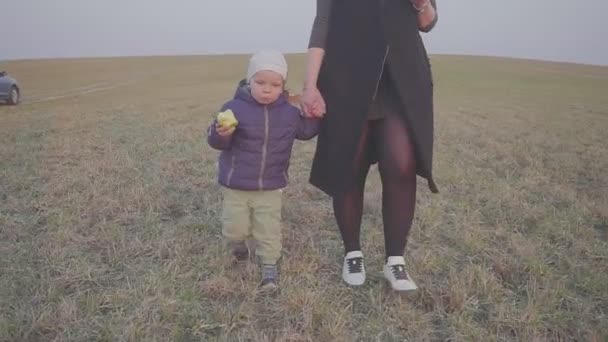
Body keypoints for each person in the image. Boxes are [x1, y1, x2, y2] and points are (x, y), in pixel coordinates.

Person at [301, 0, 439, 291]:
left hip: (400, 81)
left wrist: (421, 3)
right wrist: (310, 86)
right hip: (347, 78)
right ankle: (352, 252)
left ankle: (396, 261)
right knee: (350, 164)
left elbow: (426, 22)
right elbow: (322, 25)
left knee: (401, 163)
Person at [207, 50, 321, 290]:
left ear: (283, 86)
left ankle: (269, 266)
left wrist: (316, 117)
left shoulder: (289, 113)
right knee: (234, 225)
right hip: (236, 183)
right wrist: (220, 134)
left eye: (275, 84)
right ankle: (238, 244)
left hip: (271, 185)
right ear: (250, 81)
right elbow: (217, 142)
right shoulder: (233, 108)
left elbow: (305, 132)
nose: (267, 89)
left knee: (268, 227)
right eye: (260, 82)